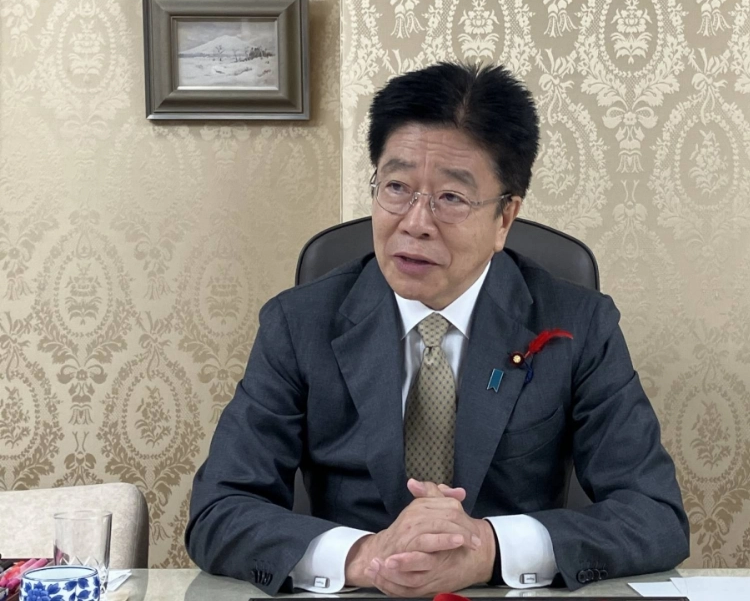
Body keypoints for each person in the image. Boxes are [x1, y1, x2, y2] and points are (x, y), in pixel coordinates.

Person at [185, 62, 689, 597]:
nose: (415, 221)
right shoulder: (299, 324)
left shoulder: (578, 324)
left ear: (505, 218)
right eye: (397, 187)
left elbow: (653, 514)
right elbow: (220, 510)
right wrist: (364, 556)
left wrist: (489, 549)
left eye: (451, 197)